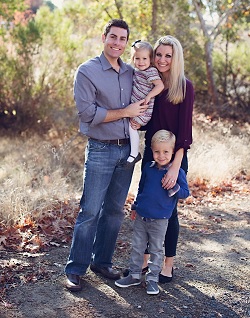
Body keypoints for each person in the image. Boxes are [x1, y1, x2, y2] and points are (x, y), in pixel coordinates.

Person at [65, 19, 148, 292]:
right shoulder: (87, 71)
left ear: (127, 43)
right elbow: (88, 114)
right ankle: (75, 269)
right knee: (90, 211)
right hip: (100, 149)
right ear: (104, 37)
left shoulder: (130, 71)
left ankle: (101, 262)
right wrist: (126, 112)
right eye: (113, 37)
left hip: (127, 149)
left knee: (113, 211)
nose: (117, 43)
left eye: (123, 39)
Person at [131, 35, 194, 283]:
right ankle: (145, 263)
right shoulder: (149, 82)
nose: (162, 59)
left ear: (175, 58)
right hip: (151, 155)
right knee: (146, 207)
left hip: (174, 158)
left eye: (168, 55)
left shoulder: (184, 86)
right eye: (159, 54)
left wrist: (173, 168)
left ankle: (167, 265)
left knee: (169, 213)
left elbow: (185, 132)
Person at [115, 130, 190, 295]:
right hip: (142, 216)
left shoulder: (176, 174)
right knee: (138, 247)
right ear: (152, 150)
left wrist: (173, 187)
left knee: (156, 249)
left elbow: (185, 193)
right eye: (157, 151)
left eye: (166, 152)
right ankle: (134, 275)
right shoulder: (148, 169)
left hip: (161, 219)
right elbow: (141, 189)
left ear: (172, 152)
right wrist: (135, 206)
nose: (161, 155)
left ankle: (152, 280)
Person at [126, 40, 164, 164]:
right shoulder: (136, 71)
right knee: (129, 126)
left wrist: (149, 96)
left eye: (144, 58)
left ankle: (134, 152)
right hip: (136, 108)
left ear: (150, 59)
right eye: (137, 58)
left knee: (132, 127)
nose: (141, 62)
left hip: (144, 109)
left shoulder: (150, 71)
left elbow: (160, 86)